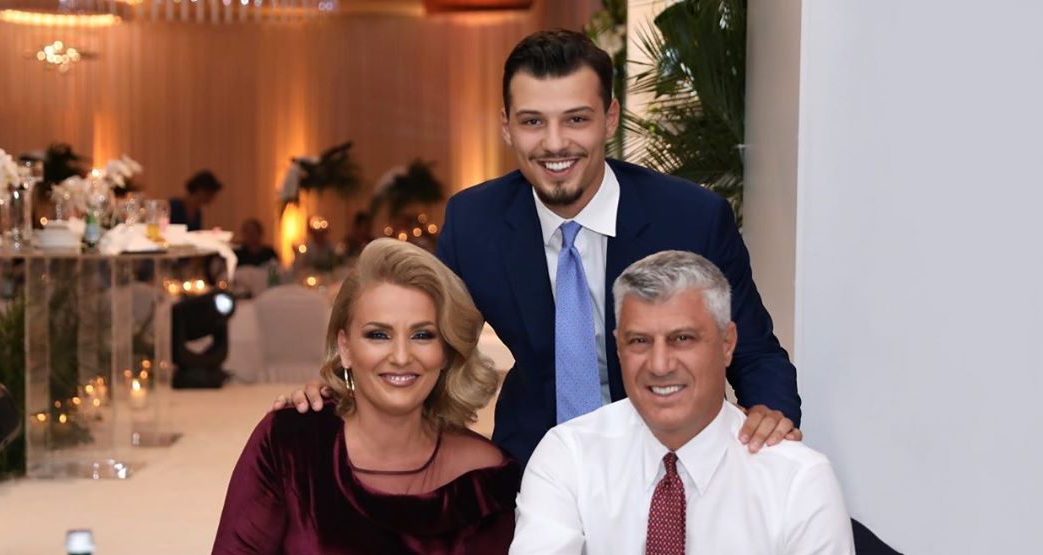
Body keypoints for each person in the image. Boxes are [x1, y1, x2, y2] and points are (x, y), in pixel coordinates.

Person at [280, 30, 801, 466]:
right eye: (533, 121)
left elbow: (753, 351)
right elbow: (422, 336)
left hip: (673, 452)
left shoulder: (691, 218)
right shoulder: (475, 220)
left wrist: (771, 416)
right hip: (534, 459)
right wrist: (339, 388)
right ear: (507, 126)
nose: (554, 143)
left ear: (610, 118)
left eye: (576, 119)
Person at [497, 251, 868, 555]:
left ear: (728, 344)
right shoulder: (568, 454)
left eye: (683, 339)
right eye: (639, 341)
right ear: (617, 346)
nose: (659, 364)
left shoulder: (796, 481)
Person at [188, 239, 521, 555]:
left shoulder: (483, 476)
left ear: (446, 350)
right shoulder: (291, 439)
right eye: (378, 334)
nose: (400, 356)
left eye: (422, 334)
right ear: (345, 346)